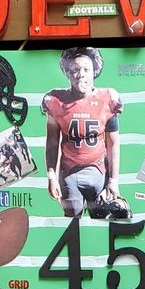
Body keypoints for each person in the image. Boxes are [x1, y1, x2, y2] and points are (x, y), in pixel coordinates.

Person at [42, 46, 128, 219]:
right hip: (69, 174)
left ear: (94, 71)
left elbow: (113, 144)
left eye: (86, 69)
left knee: (103, 220)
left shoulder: (107, 99)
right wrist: (51, 176)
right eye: (75, 69)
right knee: (73, 222)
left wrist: (113, 181)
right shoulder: (56, 101)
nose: (81, 74)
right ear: (67, 73)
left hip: (99, 172)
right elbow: (52, 143)